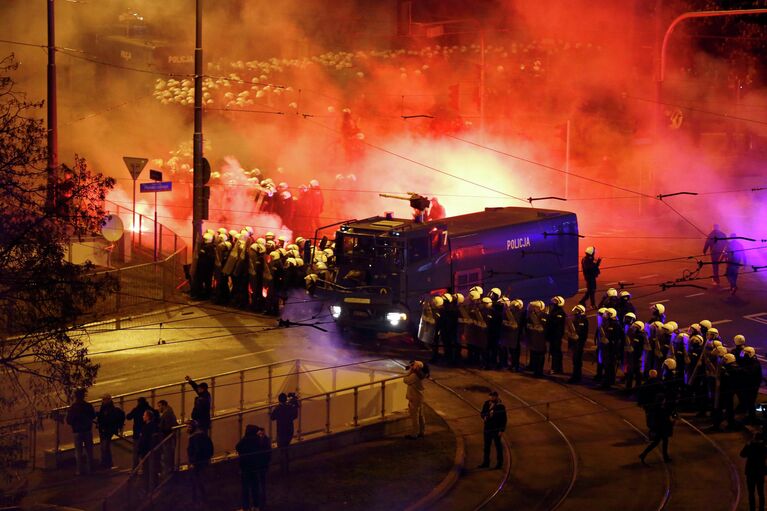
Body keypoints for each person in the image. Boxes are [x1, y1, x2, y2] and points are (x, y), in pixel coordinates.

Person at [236, 424, 272, 511]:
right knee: (255, 487)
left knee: (245, 488)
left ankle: (246, 507)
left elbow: (237, 447)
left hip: (245, 468)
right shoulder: (258, 441)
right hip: (255, 467)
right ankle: (256, 506)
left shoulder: (245, 440)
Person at [638, 392, 675, 464]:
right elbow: (664, 419)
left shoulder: (657, 408)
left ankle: (644, 454)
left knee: (658, 442)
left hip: (659, 428)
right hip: (661, 428)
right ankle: (664, 457)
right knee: (660, 442)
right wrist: (671, 423)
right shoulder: (660, 409)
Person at [66, 388, 95, 476]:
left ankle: (79, 470)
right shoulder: (88, 406)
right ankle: (90, 469)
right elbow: (93, 416)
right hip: (87, 430)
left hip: (77, 431)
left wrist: (75, 423)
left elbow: (69, 420)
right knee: (89, 450)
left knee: (78, 451)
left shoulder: (73, 408)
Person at [478, 391, 507, 469]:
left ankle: (499, 463)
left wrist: (501, 430)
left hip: (496, 429)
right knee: (486, 446)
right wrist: (484, 416)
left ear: (496, 397)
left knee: (498, 446)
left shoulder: (500, 406)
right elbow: (482, 413)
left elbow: (504, 419)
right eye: (490, 396)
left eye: (493, 397)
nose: (491, 398)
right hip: (487, 428)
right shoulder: (487, 403)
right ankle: (486, 462)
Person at [187, 420, 214, 502]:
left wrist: (193, 462)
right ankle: (203, 497)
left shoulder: (194, 438)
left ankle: (196, 498)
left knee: (195, 481)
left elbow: (196, 451)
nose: (187, 429)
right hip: (203, 461)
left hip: (197, 463)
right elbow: (210, 447)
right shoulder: (203, 435)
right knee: (200, 479)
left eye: (189, 427)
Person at [96, 394, 123, 470]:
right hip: (104, 430)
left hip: (107, 430)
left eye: (104, 399)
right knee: (104, 447)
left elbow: (108, 419)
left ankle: (107, 464)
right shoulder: (105, 407)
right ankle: (106, 463)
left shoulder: (109, 409)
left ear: (108, 400)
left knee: (105, 447)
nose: (102, 401)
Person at [740, 431, 766, 511]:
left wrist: (747, 445)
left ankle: (752, 509)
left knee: (751, 492)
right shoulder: (764, 447)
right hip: (760, 472)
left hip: (750, 472)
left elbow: (742, 454)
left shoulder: (750, 446)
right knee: (761, 492)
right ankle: (761, 508)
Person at [404, 360, 428, 439]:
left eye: (413, 365)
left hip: (414, 398)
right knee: (421, 416)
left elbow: (405, 380)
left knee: (415, 416)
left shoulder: (414, 376)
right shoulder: (420, 374)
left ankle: (414, 434)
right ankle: (422, 431)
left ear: (416, 367)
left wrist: (410, 371)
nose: (411, 366)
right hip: (419, 397)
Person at [567, 304, 589, 383]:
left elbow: (582, 333)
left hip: (579, 343)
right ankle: (575, 376)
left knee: (577, 360)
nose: (575, 311)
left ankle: (577, 377)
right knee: (575, 360)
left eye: (577, 310)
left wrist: (577, 337)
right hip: (575, 342)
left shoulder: (583, 320)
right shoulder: (577, 319)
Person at [157, 400, 178, 477]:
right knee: (169, 455)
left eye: (159, 406)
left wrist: (160, 429)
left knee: (167, 455)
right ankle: (169, 470)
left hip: (167, 438)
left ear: (164, 405)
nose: (158, 408)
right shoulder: (169, 413)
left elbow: (166, 428)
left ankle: (167, 472)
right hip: (169, 438)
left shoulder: (167, 414)